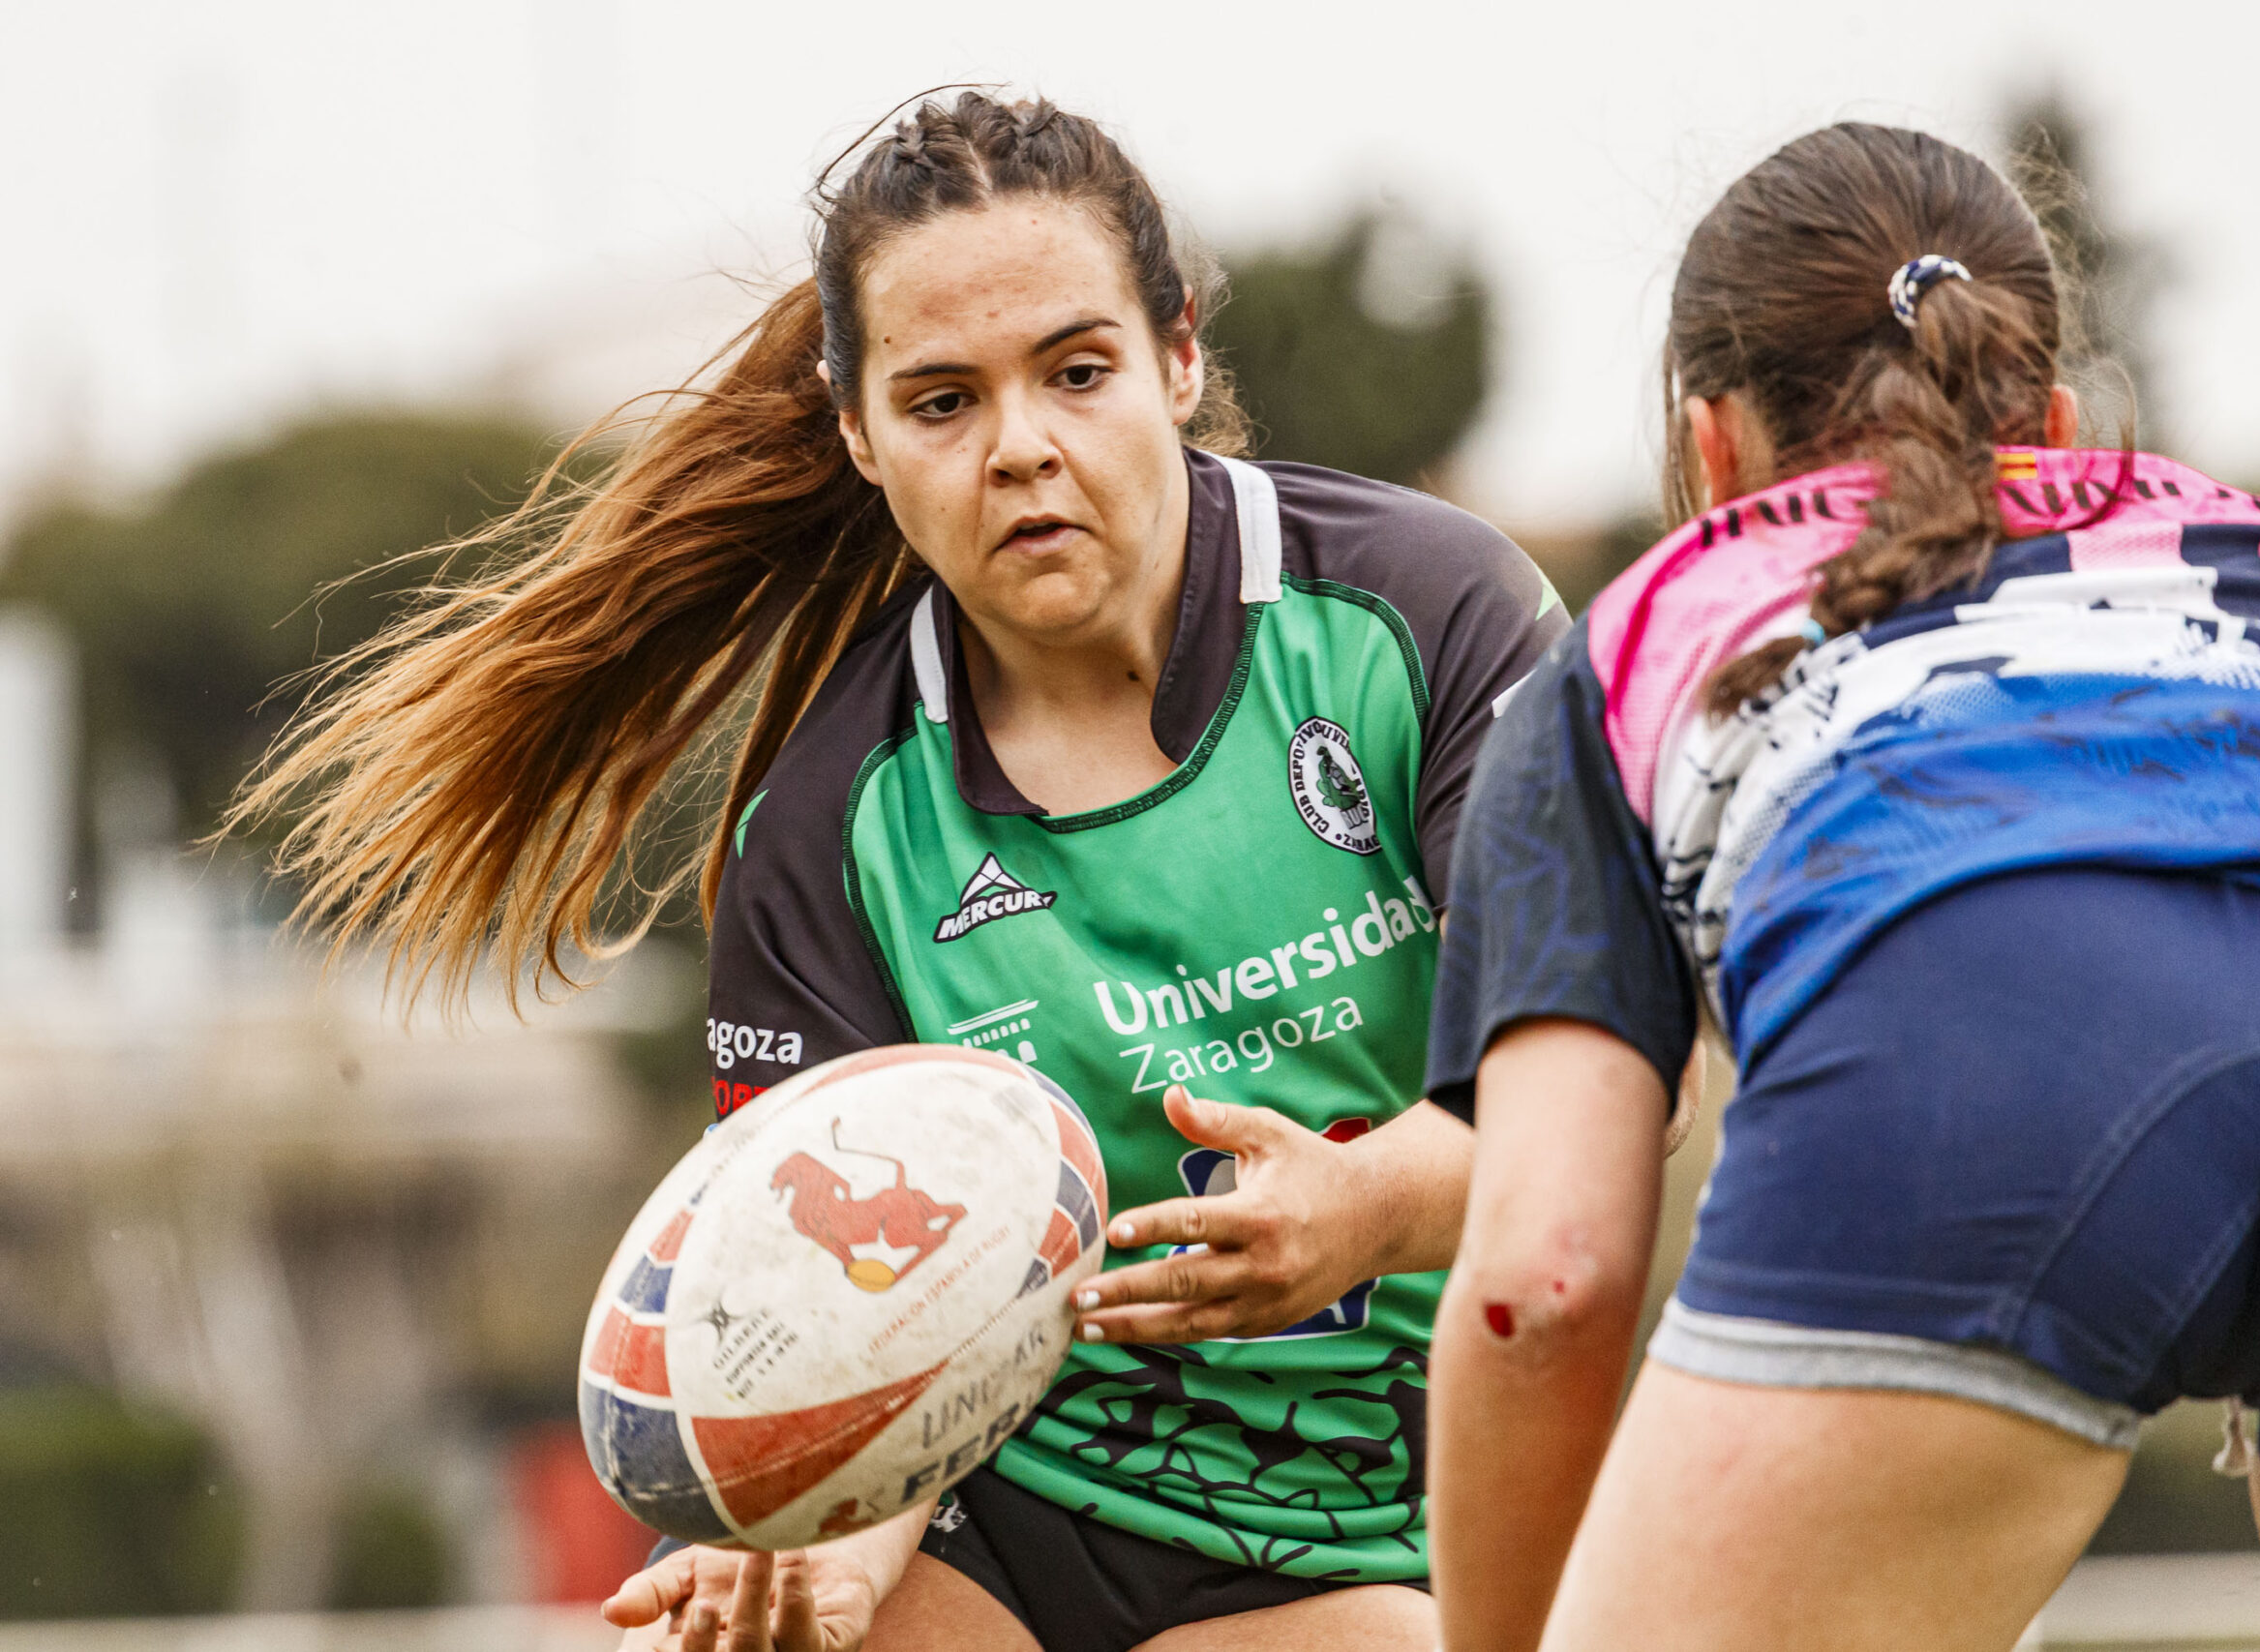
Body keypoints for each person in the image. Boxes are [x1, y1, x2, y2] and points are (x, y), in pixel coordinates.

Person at [237, 91, 1562, 1652]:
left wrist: (1366, 1205)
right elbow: (842, 1302)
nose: (1023, 450)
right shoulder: (825, 824)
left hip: (1372, 1533)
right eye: (942, 403)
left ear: (1180, 356)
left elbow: (1612, 1102)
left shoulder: (1429, 618)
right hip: (1005, 1506)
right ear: (861, 433)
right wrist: (823, 1562)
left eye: (1078, 373)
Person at [1423, 122, 2260, 1652]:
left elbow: (1544, 1281)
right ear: (2047, 415)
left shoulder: (1638, 639)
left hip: (1981, 1067)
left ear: (1711, 445)